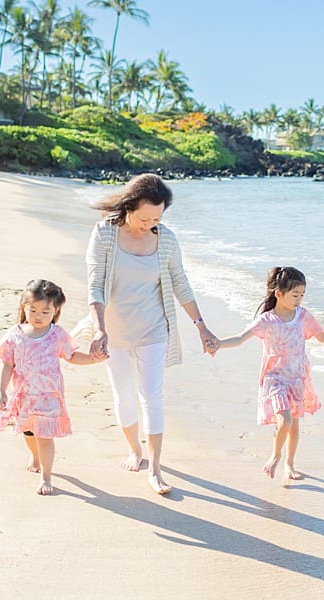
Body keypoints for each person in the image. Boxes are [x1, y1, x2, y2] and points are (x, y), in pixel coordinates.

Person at [85, 173, 217, 494]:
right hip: (115, 331)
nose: (150, 225)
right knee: (123, 395)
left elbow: (180, 283)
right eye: (144, 218)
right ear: (128, 207)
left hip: (154, 330)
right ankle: (135, 450)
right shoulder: (104, 234)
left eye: (156, 219)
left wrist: (201, 326)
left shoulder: (166, 240)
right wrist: (99, 329)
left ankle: (155, 469)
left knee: (152, 395)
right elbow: (95, 284)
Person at [211, 267, 324, 481]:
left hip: (297, 377)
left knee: (294, 424)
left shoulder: (303, 316)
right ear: (278, 294)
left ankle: (289, 464)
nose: (299, 300)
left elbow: (322, 336)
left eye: (302, 295)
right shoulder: (267, 320)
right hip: (275, 378)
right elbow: (240, 338)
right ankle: (275, 455)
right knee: (285, 420)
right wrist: (218, 344)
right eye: (295, 295)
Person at [0, 279, 103, 495]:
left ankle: (46, 477)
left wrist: (92, 359)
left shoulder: (57, 335)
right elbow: (7, 364)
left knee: (45, 437)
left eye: (45, 312)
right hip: (24, 396)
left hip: (49, 397)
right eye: (33, 310)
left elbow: (71, 356)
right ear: (24, 307)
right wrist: (1, 390)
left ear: (55, 311)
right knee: (28, 432)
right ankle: (34, 455)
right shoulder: (14, 335)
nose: (38, 316)